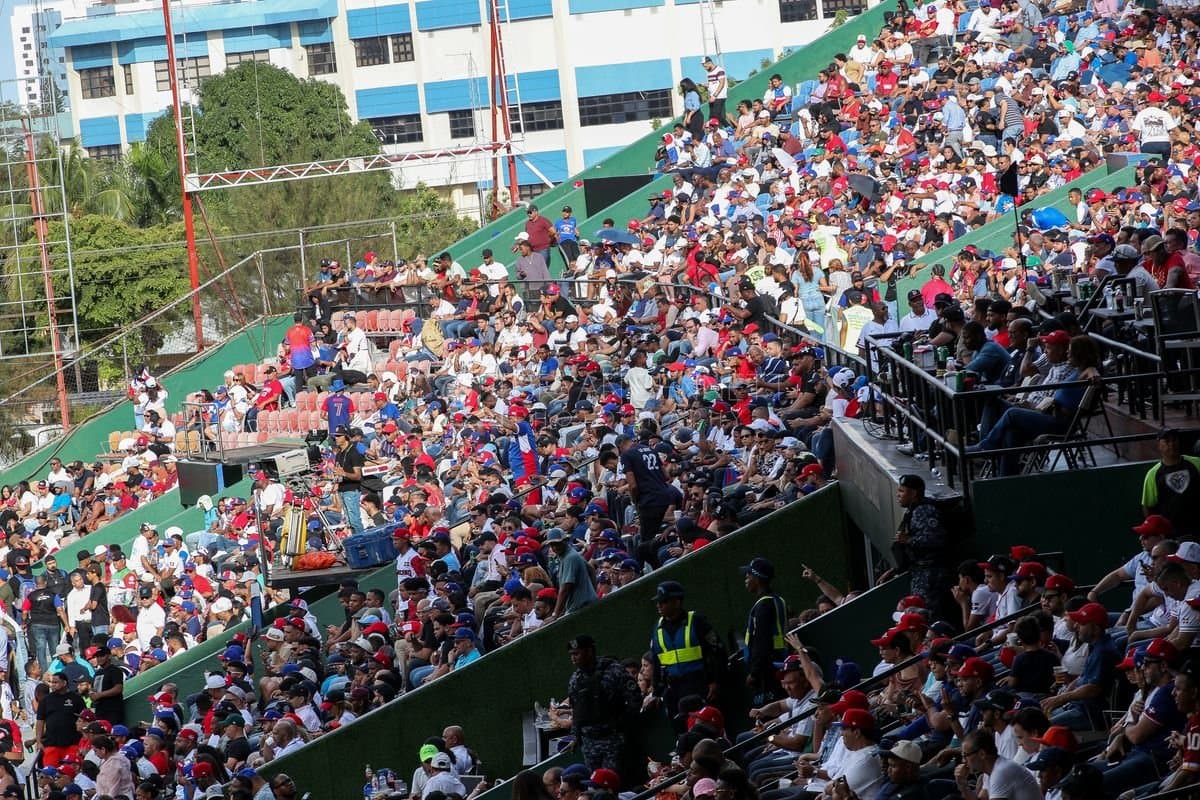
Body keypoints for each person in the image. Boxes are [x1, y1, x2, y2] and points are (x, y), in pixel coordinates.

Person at [565, 635, 640, 772]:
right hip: (589, 742)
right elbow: (577, 711)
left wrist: (624, 723)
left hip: (612, 738)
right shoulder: (576, 679)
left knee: (612, 782)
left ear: (589, 651)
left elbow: (634, 697)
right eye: (571, 655)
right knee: (595, 785)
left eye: (577, 654)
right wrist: (575, 736)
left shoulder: (613, 670)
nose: (573, 658)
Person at [648, 580, 723, 717]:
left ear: (677, 602)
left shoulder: (696, 621)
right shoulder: (657, 628)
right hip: (674, 689)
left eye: (663, 601)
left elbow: (717, 652)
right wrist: (657, 692)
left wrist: (714, 681)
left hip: (699, 685)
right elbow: (656, 661)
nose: (658, 605)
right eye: (658, 602)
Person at [889, 475, 949, 611]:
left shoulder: (924, 510)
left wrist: (908, 540)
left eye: (902, 491)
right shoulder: (913, 510)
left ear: (914, 493)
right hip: (919, 570)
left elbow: (937, 539)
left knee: (926, 612)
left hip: (930, 573)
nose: (898, 495)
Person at [741, 557, 786, 703]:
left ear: (757, 578)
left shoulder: (763, 605)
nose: (745, 578)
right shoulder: (777, 600)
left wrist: (754, 673)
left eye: (748, 574)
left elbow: (762, 641)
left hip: (768, 670)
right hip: (778, 662)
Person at [1142, 428, 1200, 539]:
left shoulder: (1196, 463)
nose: (1172, 444)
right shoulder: (1153, 474)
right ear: (1159, 445)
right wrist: (1156, 531)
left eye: (1174, 440)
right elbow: (1148, 506)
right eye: (1167, 441)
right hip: (1172, 534)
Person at [953, 729, 1041, 800]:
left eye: (965, 755)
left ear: (982, 754)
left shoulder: (1001, 772)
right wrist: (962, 785)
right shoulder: (991, 770)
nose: (963, 760)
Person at [545, 528, 598, 618]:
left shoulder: (570, 557)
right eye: (552, 544)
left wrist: (555, 614)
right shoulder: (566, 555)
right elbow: (591, 570)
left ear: (565, 541)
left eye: (557, 543)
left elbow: (565, 589)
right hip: (581, 606)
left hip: (582, 607)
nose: (554, 547)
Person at [36, 671, 84, 768]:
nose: (52, 685)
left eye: (55, 682)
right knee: (50, 774)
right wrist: (38, 741)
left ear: (64, 683)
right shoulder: (46, 700)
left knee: (71, 772)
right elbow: (40, 721)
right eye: (51, 682)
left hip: (72, 743)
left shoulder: (76, 698)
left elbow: (84, 718)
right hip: (51, 744)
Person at [333, 425, 366, 537]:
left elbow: (358, 476)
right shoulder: (339, 454)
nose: (336, 438)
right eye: (335, 436)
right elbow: (338, 472)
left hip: (351, 490)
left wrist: (344, 473)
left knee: (354, 521)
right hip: (342, 489)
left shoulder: (353, 453)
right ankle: (357, 542)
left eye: (338, 436)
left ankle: (363, 542)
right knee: (349, 522)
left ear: (346, 437)